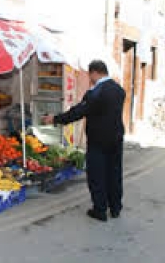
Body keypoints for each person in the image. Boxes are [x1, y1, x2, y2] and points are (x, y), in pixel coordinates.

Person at [42, 60, 125, 222]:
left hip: (98, 141)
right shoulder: (119, 90)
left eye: (89, 75)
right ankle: (115, 208)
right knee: (114, 173)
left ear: (94, 73)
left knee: (96, 175)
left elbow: (78, 112)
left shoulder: (96, 93)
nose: (89, 78)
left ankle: (100, 210)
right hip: (116, 139)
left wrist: (55, 119)